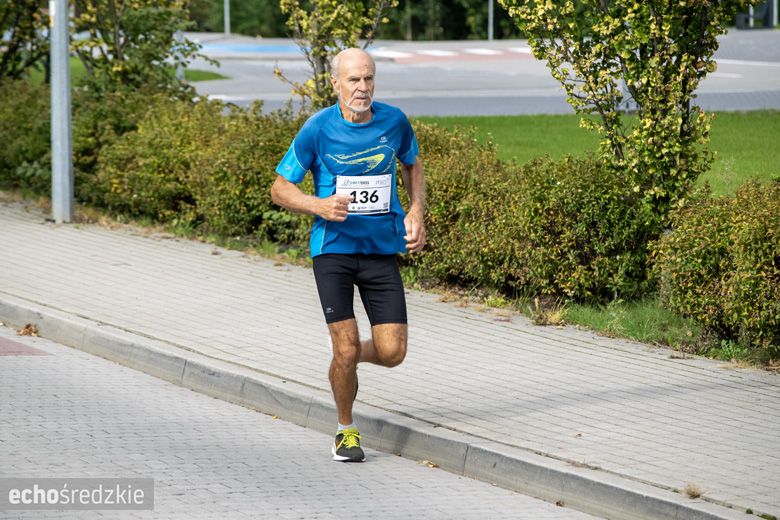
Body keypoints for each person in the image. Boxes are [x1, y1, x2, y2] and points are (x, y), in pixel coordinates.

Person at [270, 47, 426, 462]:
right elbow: (280, 188)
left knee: (392, 352)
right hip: (333, 251)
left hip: (380, 251)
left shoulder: (394, 121)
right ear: (336, 83)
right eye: (354, 80)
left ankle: (348, 354)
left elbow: (412, 164)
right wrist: (317, 205)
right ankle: (346, 430)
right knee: (345, 348)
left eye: (368, 78)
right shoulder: (318, 128)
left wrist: (416, 212)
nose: (362, 88)